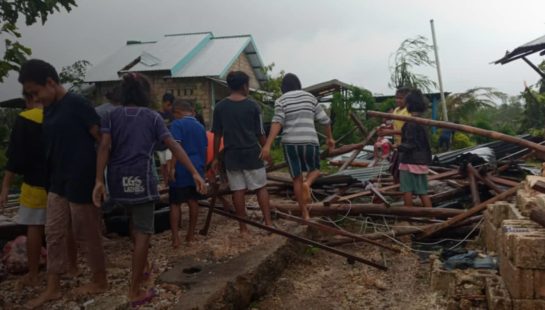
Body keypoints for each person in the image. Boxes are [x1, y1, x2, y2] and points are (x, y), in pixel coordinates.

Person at [93, 73, 206, 306]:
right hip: (141, 178)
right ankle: (134, 290)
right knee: (144, 230)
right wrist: (194, 172)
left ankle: (142, 269)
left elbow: (104, 146)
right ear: (145, 93)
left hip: (117, 179)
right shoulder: (152, 117)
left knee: (134, 222)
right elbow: (172, 146)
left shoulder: (112, 116)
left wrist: (98, 180)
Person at [18, 59, 107, 308]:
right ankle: (52, 287)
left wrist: (100, 178)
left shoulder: (77, 104)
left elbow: (101, 140)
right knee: (54, 232)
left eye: (36, 92)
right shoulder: (50, 108)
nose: (35, 98)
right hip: (56, 179)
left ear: (50, 82)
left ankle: (100, 279)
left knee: (86, 233)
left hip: (81, 178)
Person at [261, 73, 335, 220]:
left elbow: (277, 122)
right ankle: (308, 183)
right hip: (309, 141)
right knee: (315, 170)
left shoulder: (281, 100)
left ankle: (305, 214)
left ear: (283, 88)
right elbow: (325, 120)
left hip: (290, 143)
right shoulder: (310, 97)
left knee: (296, 179)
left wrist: (267, 145)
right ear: (298, 84)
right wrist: (329, 138)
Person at [212, 71, 273, 234]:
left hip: (232, 156)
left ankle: (243, 228)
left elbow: (217, 135)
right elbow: (260, 133)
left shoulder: (220, 107)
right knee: (261, 188)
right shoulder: (253, 106)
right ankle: (268, 223)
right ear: (244, 86)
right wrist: (267, 150)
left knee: (237, 190)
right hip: (252, 153)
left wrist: (216, 157)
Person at [0, 93, 46, 290]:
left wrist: (5, 187)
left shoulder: (25, 119)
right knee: (62, 229)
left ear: (28, 100)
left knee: (35, 227)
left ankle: (34, 274)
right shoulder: (58, 116)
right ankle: (69, 269)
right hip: (61, 185)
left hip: (34, 184)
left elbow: (15, 158)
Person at [168, 100, 207, 248]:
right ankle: (190, 235)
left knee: (175, 203)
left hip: (182, 167)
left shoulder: (177, 125)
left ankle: (175, 238)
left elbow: (176, 147)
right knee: (193, 201)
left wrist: (172, 167)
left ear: (178, 112)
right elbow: (204, 149)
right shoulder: (200, 126)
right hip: (197, 167)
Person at [398, 89, 433, 208]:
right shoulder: (423, 122)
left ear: (409, 105)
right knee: (423, 191)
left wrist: (397, 147)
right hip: (421, 160)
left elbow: (410, 144)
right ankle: (431, 217)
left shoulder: (411, 123)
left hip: (409, 161)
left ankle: (408, 216)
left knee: (407, 189)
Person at [378, 87, 411, 183]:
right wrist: (385, 129)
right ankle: (396, 189)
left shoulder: (408, 112)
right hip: (398, 146)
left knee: (403, 171)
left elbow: (408, 131)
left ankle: (403, 191)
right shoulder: (396, 110)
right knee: (394, 170)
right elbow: (394, 125)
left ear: (407, 99)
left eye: (401, 98)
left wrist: (389, 132)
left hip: (406, 146)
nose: (397, 100)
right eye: (396, 98)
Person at [156, 93, 175, 187]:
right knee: (163, 166)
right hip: (160, 145)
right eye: (168, 105)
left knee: (169, 164)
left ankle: (171, 183)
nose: (169, 107)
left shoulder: (172, 115)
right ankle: (166, 184)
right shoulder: (157, 115)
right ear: (163, 103)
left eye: (171, 105)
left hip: (169, 145)